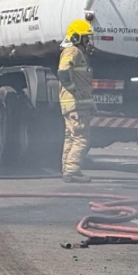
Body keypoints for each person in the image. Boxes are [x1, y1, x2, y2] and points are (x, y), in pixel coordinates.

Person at [58, 19, 95, 182]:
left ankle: (67, 169)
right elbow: (63, 72)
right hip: (75, 104)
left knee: (71, 137)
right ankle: (72, 170)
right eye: (86, 38)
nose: (88, 42)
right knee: (81, 137)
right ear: (76, 37)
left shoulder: (75, 52)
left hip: (72, 104)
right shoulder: (73, 51)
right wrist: (74, 90)